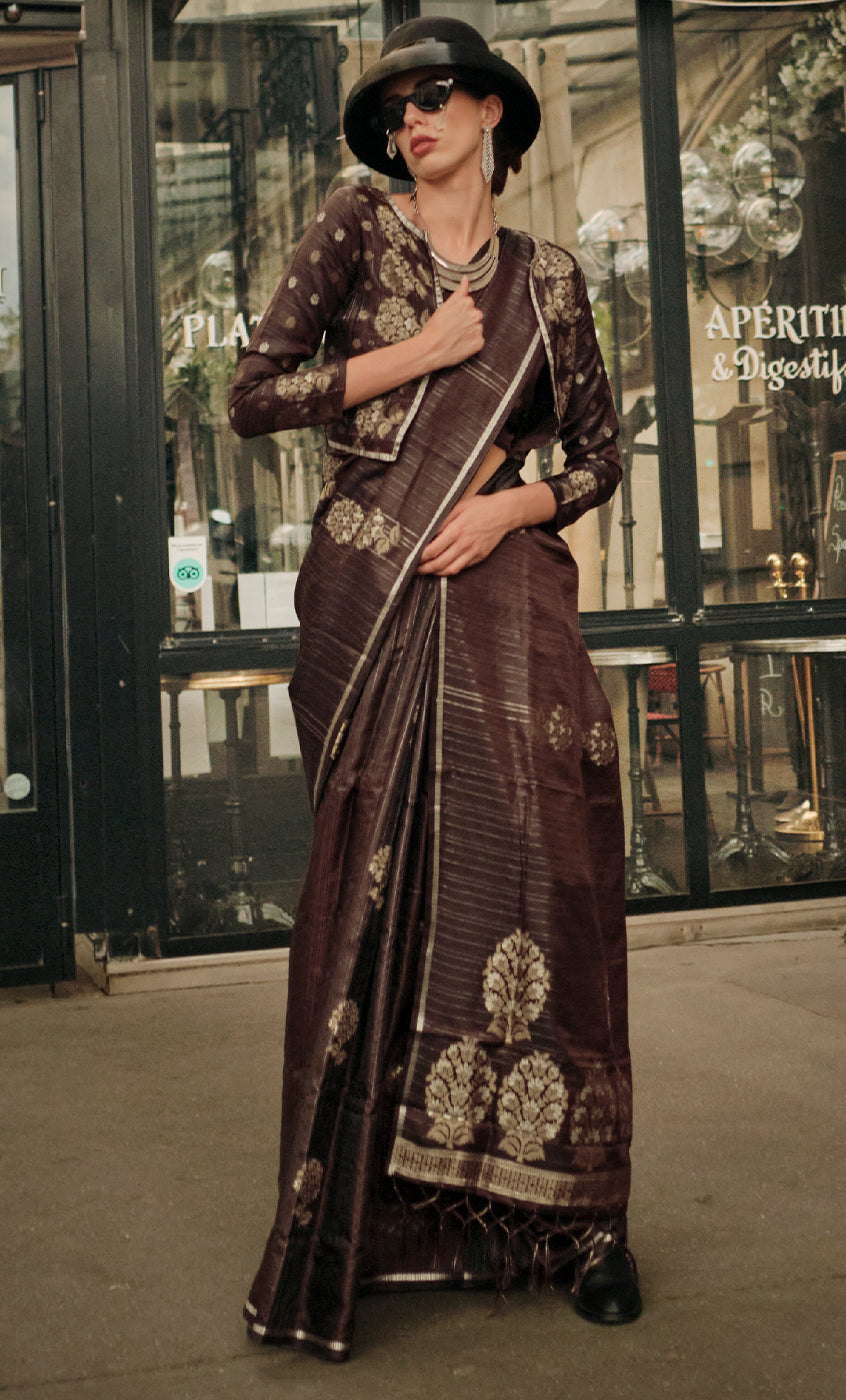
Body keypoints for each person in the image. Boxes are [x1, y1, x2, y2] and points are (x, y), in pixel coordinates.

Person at [228, 15, 641, 1362]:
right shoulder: (356, 229)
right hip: (375, 590)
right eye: (398, 106)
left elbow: (598, 452)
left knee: (548, 875)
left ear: (492, 115)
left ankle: (574, 1220)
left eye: (439, 96)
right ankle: (368, 1218)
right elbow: (251, 394)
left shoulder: (553, 281)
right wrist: (421, 355)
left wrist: (512, 504)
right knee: (376, 888)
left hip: (510, 597)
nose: (414, 120)